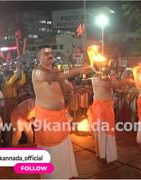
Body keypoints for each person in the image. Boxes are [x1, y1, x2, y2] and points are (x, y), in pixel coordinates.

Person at [32, 47, 90, 178]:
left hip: (60, 117)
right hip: (46, 119)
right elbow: (54, 77)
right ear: (38, 58)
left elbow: (66, 88)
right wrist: (78, 69)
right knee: (51, 153)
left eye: (51, 53)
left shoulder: (57, 72)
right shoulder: (37, 72)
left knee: (63, 149)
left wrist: (76, 89)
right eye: (45, 53)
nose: (49, 55)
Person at [91, 75, 120, 163]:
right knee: (101, 131)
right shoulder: (95, 79)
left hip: (109, 108)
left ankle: (110, 155)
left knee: (109, 131)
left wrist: (114, 79)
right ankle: (102, 155)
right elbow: (107, 85)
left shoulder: (110, 78)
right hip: (99, 108)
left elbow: (117, 86)